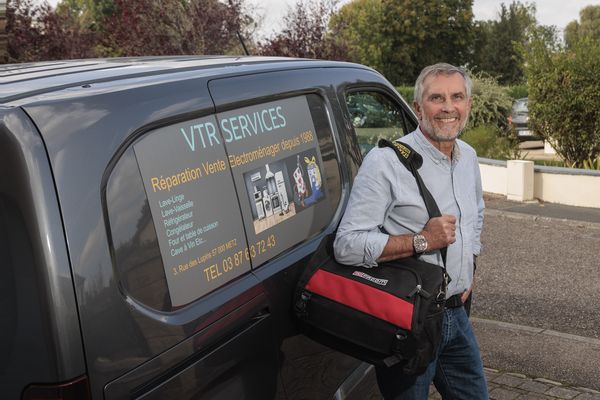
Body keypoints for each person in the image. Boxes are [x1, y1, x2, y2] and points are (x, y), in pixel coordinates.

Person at [333, 63, 487, 399]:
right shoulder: (385, 163)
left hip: (456, 313)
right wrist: (423, 240)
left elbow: (476, 213)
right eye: (436, 98)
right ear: (418, 107)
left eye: (457, 97)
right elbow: (346, 245)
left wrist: (469, 266)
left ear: (468, 104)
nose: (448, 107)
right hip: (407, 320)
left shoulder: (469, 158)